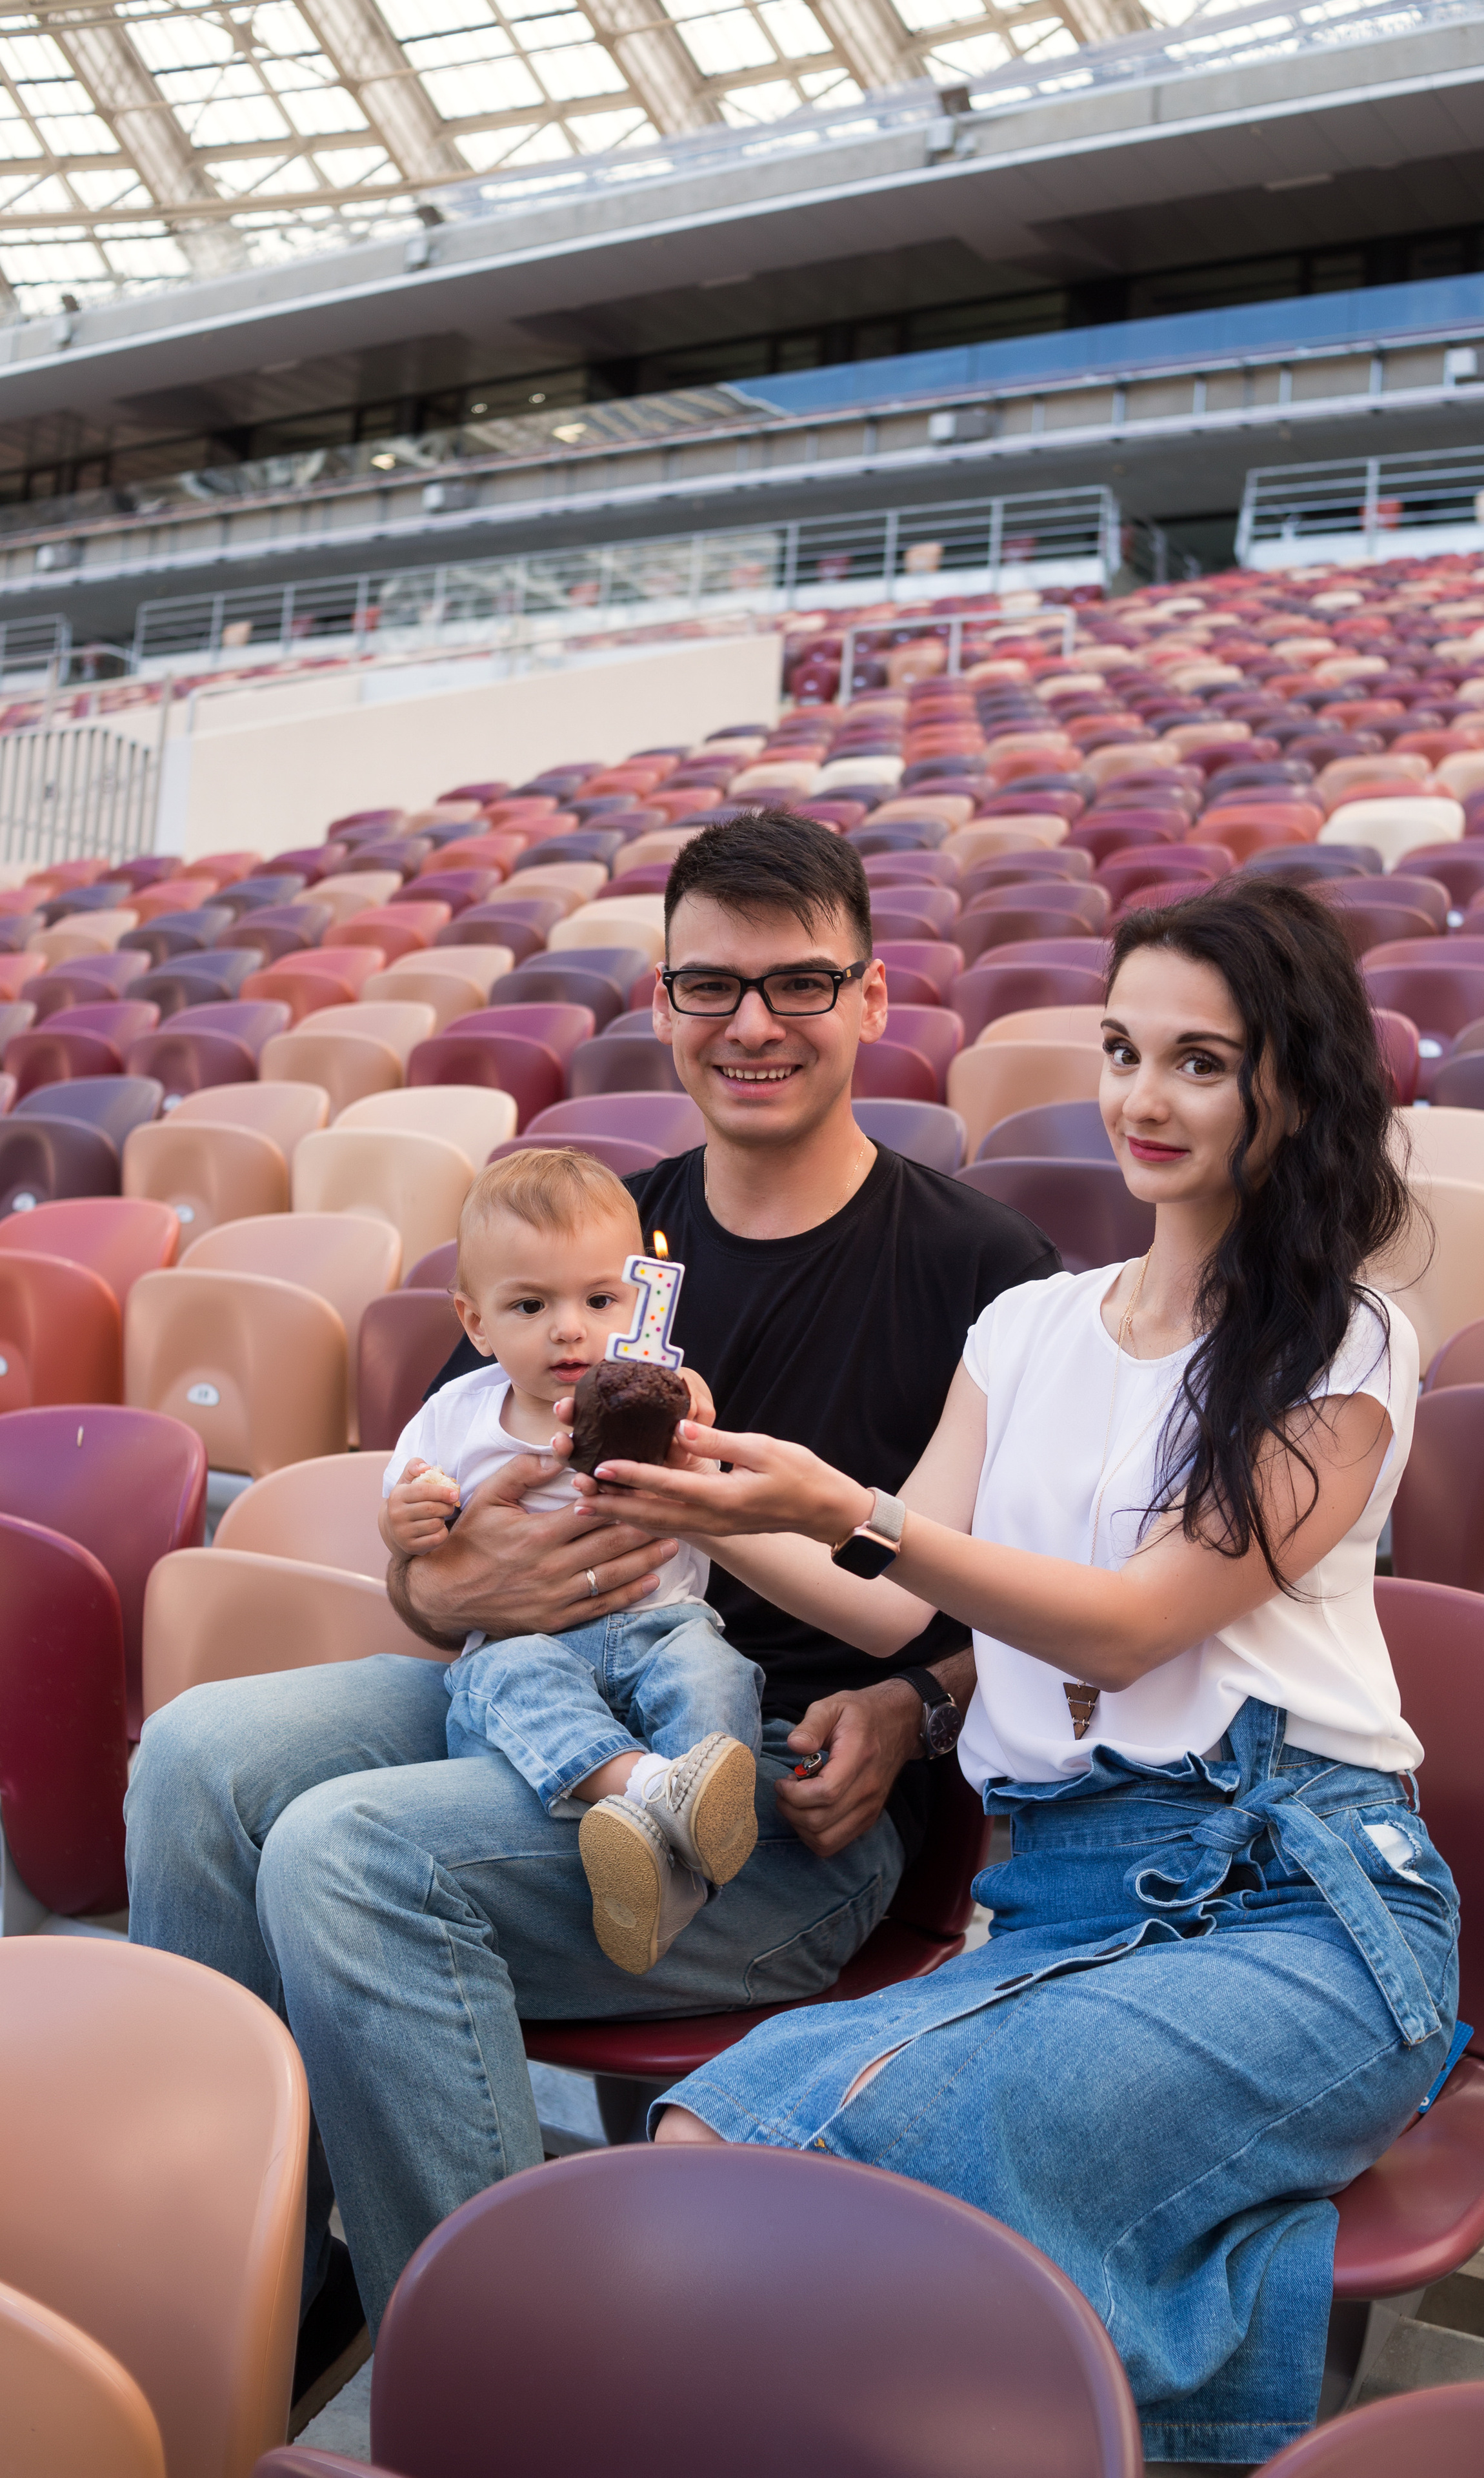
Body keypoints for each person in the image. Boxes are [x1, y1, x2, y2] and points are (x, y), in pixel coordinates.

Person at [125, 809, 1060, 2392]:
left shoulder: (984, 1267)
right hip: (542, 1686)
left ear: (873, 999)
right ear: (662, 1002)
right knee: (198, 1755)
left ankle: (516, 2371)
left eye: (796, 985)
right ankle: (265, 2284)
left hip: (772, 1787)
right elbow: (433, 1549)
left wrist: (918, 1704)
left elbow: (1040, 1602)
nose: (749, 1026)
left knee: (345, 1860)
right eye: (708, 987)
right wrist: (445, 1577)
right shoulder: (590, 1232)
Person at [578, 874, 1461, 2465]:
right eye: (1123, 1049)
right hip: (1058, 1900)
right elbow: (883, 1604)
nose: (1143, 1095)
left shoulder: (1348, 1342)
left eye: (1202, 1060)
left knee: (835, 2156)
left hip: (1300, 1900)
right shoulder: (1029, 1329)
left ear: (1294, 1085)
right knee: (715, 2125)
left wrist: (842, 1502)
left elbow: (1124, 1622)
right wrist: (704, 1501)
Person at [383, 1145, 761, 1977]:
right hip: (530, 1646)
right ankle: (646, 1791)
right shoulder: (458, 1417)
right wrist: (410, 1521)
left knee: (716, 1671)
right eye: (529, 1304)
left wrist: (690, 1414)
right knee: (502, 1679)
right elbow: (409, 1510)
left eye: (599, 1299)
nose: (569, 1327)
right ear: (475, 1323)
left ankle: (699, 1828)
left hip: (665, 1623)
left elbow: (713, 1470)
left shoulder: (661, 1393)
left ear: (641, 1302)